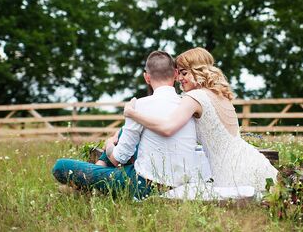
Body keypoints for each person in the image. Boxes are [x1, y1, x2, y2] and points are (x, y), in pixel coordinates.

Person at [124, 47, 278, 194]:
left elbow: (167, 128)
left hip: (232, 172)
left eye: (184, 73)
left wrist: (132, 114)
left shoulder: (194, 97)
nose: (179, 79)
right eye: (179, 74)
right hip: (252, 161)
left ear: (198, 71)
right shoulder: (219, 94)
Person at [52, 51, 201, 199]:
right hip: (183, 183)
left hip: (146, 185)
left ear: (147, 77)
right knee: (125, 133)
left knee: (60, 166)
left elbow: (119, 157)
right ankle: (93, 183)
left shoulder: (139, 105)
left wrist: (110, 143)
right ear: (176, 74)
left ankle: (90, 183)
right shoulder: (188, 105)